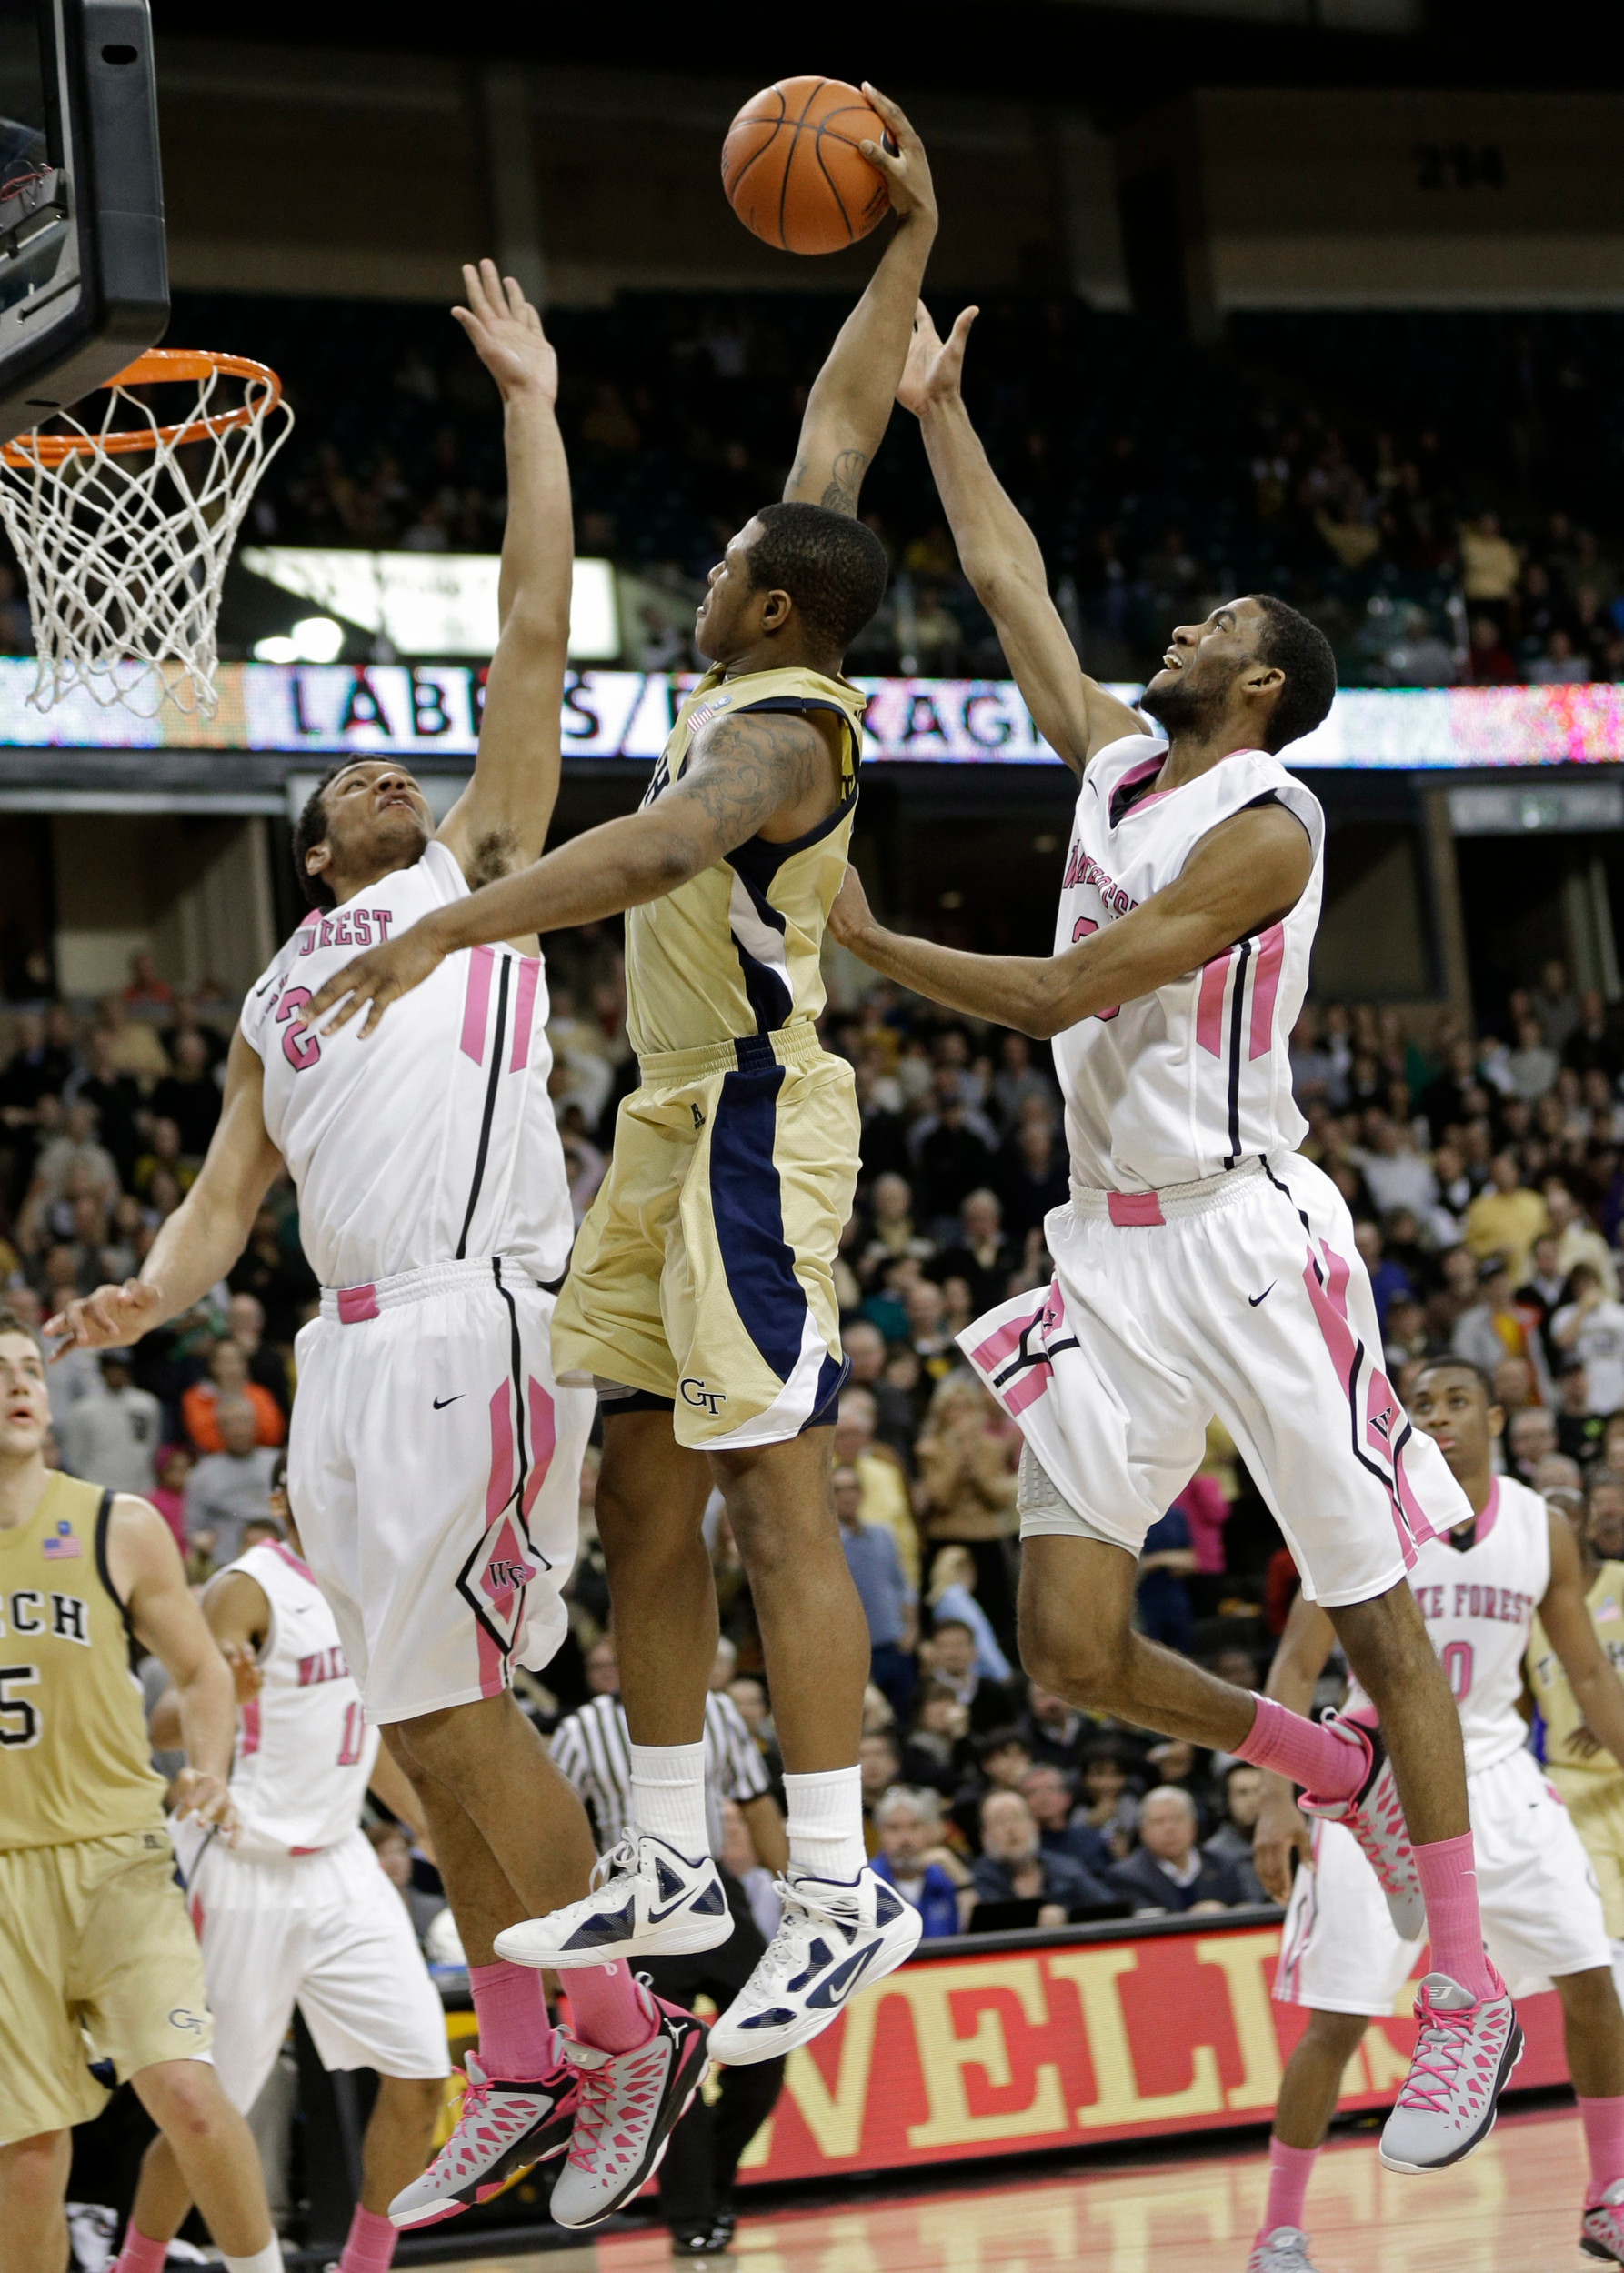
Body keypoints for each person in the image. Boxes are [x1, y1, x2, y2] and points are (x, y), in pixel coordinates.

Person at [822, 295, 1519, 2169]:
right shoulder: (1112, 764)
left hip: (1244, 1237)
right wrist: (937, 414)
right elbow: (1009, 586)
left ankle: (1456, 1974)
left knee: (1368, 1605)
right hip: (1101, 1252)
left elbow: (1075, 991)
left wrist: (870, 938)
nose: (1179, 633)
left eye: (1213, 629)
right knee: (1060, 1640)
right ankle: (1326, 1774)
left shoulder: (1269, 821)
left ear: (1264, 685)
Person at [293, 97, 940, 2065]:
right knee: (646, 1503)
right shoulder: (752, 656)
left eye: (732, 556)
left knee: (765, 1498)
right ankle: (669, 1846)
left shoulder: (784, 730)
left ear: (765, 603)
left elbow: (656, 854)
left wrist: (442, 929)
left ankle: (831, 1884)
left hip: (746, 1114)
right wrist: (899, 242)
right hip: (662, 1119)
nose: (717, 553)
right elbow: (835, 432)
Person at [47, 269, 688, 2236]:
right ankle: (526, 2050)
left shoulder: (482, 864)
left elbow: (520, 626)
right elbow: (229, 1196)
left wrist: (531, 406)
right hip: (340, 1363)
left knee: (473, 1692)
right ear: (312, 853)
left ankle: (615, 2021)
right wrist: (155, 1289)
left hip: (483, 1322)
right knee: (419, 1719)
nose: (388, 787)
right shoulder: (275, 990)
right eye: (353, 791)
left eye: (399, 779)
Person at [1252, 1358, 1624, 2273]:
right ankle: (1278, 2233)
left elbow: (1586, 1677)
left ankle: (1609, 2196)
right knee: (1333, 2022)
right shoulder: (1365, 1512)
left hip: (1497, 1774)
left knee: (1590, 1981)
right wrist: (1271, 1797)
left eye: (1457, 1401)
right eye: (1420, 1404)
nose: (1438, 1416)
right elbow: (1296, 1667)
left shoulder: (1543, 1526)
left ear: (1496, 1414)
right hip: (1376, 1782)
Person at [0, 1308, 285, 2273]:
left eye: (30, 1368)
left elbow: (205, 1673)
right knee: (32, 2159)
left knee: (189, 2094)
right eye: (0, 1371)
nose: (20, 1384)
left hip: (118, 1857)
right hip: (4, 1881)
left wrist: (208, 1765)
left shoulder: (114, 1525)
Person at [124, 1467, 449, 2273]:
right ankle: (132, 2265)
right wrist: (223, 1696)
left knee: (421, 2072)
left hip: (340, 1862)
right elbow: (172, 1717)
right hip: (242, 1865)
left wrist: (423, 1823)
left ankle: (364, 2265)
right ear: (279, 1501)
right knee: (209, 2113)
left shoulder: (375, 1582)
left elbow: (361, 1723)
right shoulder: (249, 1587)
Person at [547, 1641, 788, 2259]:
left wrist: (797, 1899)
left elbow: (757, 1801)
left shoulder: (717, 1712)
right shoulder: (578, 1733)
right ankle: (693, 2215)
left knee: (770, 2041)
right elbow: (558, 1838)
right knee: (670, 2066)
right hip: (631, 1909)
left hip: (714, 1889)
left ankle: (714, 2178)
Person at [1529, 1469, 1624, 1991]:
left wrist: (1610, 1712)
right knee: (1606, 1938)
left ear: (1586, 1525)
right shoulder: (1527, 1613)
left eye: (1565, 1518)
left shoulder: (1620, 1582)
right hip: (1573, 1787)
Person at [835, 1460, 917, 1721]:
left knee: (906, 1719)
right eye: (838, 1490)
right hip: (852, 1655)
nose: (847, 1495)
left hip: (894, 1645)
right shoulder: (826, 1544)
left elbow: (902, 1585)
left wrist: (911, 1629)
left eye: (852, 1488)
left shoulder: (883, 1535)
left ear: (861, 1493)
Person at [972, 1788, 1113, 1919]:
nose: (1011, 1829)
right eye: (1000, 1822)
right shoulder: (979, 1880)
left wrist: (1067, 1916)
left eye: (1017, 1819)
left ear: (1034, 1825)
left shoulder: (1066, 1868)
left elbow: (1109, 1909)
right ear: (984, 1835)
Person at [1107, 1787, 1244, 1916]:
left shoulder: (1222, 1864)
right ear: (1142, 1831)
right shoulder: (1127, 1876)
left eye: (1177, 1819)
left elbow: (1248, 1907)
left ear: (1193, 1825)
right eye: (1159, 1822)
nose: (1170, 1829)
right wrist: (1194, 1917)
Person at [182, 1398, 278, 1568]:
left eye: (242, 1421)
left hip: (281, 1558)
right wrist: (201, 1543)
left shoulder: (278, 1463)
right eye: (229, 1424)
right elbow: (193, 1530)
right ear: (218, 1430)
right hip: (228, 1564)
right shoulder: (203, 1474)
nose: (237, 1431)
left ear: (255, 1424)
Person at [55, 1347, 161, 1497]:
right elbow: (75, 1456)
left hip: (139, 1488)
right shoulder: (83, 1409)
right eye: (110, 1368)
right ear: (102, 1371)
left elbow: (151, 1445)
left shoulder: (146, 1404)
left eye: (120, 1368)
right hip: (97, 1488)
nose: (115, 1373)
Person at [869, 1786, 971, 1937]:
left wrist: (962, 1882)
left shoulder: (944, 1877)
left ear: (929, 1831)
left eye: (914, 1826)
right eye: (893, 1828)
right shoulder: (868, 1883)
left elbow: (970, 1936)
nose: (905, 1838)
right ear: (880, 1834)